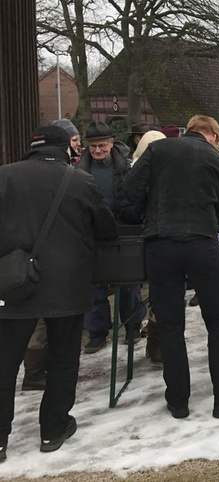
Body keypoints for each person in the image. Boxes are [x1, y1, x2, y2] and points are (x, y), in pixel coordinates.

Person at [0, 125, 116, 459]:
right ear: (66, 148)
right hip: (67, 286)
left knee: (4, 364)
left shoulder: (5, 176)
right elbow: (106, 228)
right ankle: (53, 429)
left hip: (14, 283)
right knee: (64, 359)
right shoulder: (79, 180)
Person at [124, 115, 219, 420]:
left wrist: (146, 214)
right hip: (202, 244)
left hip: (161, 242)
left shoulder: (158, 150)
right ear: (214, 136)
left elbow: (130, 188)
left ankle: (178, 400)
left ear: (189, 130)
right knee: (218, 322)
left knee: (170, 326)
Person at [76, 121, 141, 353]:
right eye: (93, 147)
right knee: (94, 284)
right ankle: (97, 331)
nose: (97, 151)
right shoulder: (79, 169)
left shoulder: (126, 166)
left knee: (128, 282)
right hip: (92, 232)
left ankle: (132, 324)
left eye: (102, 146)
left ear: (112, 143)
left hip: (123, 227)